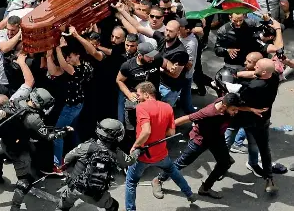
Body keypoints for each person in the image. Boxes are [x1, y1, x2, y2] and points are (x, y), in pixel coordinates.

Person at [154, 93, 265, 199]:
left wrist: (251, 109)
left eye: (236, 109)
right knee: (181, 162)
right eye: (233, 110)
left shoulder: (227, 103)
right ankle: (158, 180)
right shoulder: (208, 112)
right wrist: (163, 130)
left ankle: (205, 188)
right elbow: (187, 118)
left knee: (224, 163)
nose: (236, 112)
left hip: (217, 139)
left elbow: (239, 107)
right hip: (200, 141)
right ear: (224, 106)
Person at [0, 88, 73, 211]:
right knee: (24, 182)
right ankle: (15, 207)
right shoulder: (33, 119)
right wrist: (64, 132)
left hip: (4, 143)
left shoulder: (17, 101)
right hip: (19, 150)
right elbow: (48, 136)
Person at [125, 82, 196, 211]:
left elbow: (146, 131)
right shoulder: (167, 107)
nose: (137, 98)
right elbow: (171, 132)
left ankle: (130, 209)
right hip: (161, 153)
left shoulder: (142, 107)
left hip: (143, 155)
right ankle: (189, 193)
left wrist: (135, 146)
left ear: (146, 94)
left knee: (131, 182)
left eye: (139, 94)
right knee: (173, 171)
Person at [55, 119, 143, 211]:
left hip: (74, 188)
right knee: (113, 206)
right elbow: (130, 161)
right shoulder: (116, 153)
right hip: (95, 195)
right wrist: (137, 151)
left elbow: (67, 158)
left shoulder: (86, 146)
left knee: (62, 207)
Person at [234, 58, 280, 193]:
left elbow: (237, 103)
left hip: (248, 120)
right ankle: (269, 177)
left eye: (257, 67)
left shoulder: (254, 87)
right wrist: (239, 74)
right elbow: (254, 74)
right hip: (263, 120)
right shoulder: (274, 76)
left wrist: (235, 78)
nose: (254, 68)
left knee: (227, 138)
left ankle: (223, 164)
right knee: (263, 148)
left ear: (264, 71)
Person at [47, 39, 94, 168]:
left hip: (72, 107)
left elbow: (63, 65)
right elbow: (53, 72)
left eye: (70, 56)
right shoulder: (83, 65)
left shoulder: (80, 69)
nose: (67, 59)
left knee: (58, 134)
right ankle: (83, 157)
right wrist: (48, 56)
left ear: (77, 55)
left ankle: (57, 165)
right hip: (77, 105)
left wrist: (57, 48)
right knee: (73, 131)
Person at [178, 18, 199, 114]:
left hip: (185, 75)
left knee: (185, 96)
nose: (178, 28)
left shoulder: (191, 44)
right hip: (181, 73)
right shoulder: (181, 35)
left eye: (180, 27)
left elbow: (189, 64)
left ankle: (192, 115)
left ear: (187, 30)